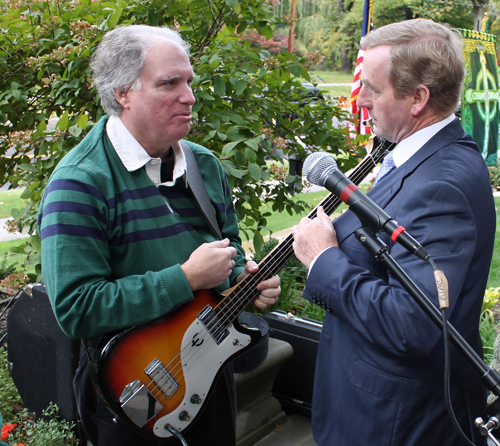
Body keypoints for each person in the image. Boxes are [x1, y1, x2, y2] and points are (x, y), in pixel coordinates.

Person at [38, 24, 280, 446]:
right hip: (130, 393)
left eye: (188, 81)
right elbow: (76, 309)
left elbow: (228, 248)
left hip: (209, 372)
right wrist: (185, 278)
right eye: (169, 83)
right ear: (122, 93)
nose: (189, 96)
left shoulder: (204, 166)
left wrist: (244, 277)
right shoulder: (80, 182)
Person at [292, 19, 495, 446]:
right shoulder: (426, 156)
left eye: (373, 88)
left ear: (418, 98)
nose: (360, 99)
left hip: (395, 422)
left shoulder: (442, 186)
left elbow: (412, 323)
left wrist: (324, 259)